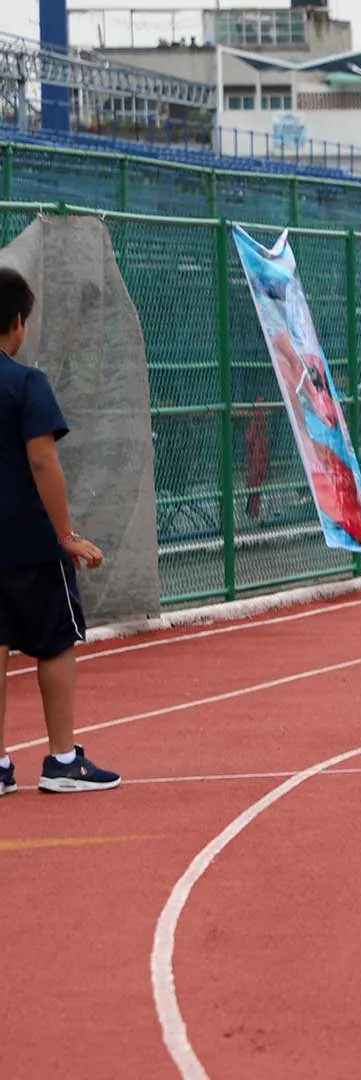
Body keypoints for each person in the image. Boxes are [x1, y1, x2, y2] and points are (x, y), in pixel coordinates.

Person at [0, 268, 117, 795]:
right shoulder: (26, 383)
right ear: (18, 323)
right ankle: (63, 759)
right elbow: (43, 461)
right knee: (54, 643)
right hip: (26, 539)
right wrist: (65, 533)